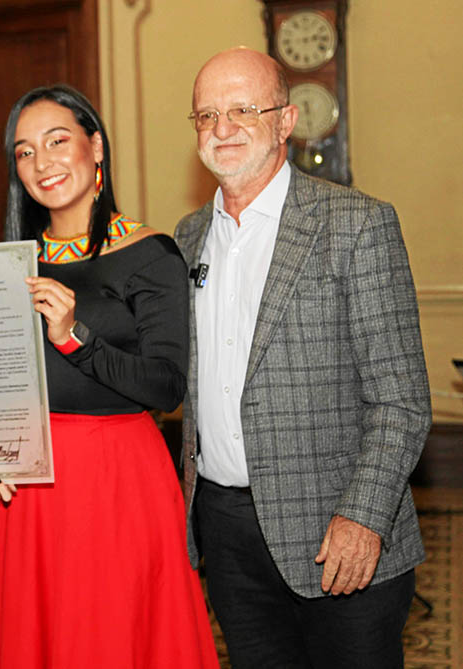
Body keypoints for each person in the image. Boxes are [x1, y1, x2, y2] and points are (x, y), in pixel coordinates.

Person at [175, 47, 431, 668]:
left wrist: (362, 517)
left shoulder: (355, 225)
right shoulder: (186, 239)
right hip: (227, 533)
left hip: (337, 533)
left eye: (243, 109)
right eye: (206, 115)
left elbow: (401, 400)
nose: (223, 128)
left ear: (285, 121)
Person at [0, 84, 218, 668]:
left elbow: (167, 387)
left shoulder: (149, 252)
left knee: (110, 638)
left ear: (96, 146)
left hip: (115, 482)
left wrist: (74, 337)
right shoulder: (7, 262)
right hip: (27, 491)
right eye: (25, 151)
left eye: (58, 141)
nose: (42, 162)